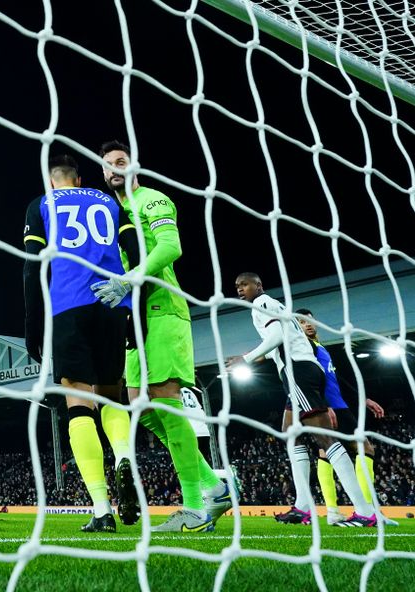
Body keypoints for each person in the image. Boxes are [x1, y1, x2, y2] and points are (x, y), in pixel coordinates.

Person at [93, 141, 231, 532]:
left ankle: (195, 506)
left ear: (134, 166)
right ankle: (213, 485)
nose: (114, 169)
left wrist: (131, 278)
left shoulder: (152, 200)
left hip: (162, 310)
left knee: (165, 400)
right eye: (108, 165)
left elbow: (172, 246)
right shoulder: (112, 214)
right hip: (133, 318)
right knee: (140, 404)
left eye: (121, 162)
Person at [22, 154, 142, 532]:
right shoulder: (109, 201)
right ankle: (123, 456)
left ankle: (102, 508)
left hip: (68, 306)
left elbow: (32, 266)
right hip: (112, 302)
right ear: (78, 178)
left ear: (52, 180)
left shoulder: (41, 204)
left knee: (78, 403)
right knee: (111, 395)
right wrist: (133, 309)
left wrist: (33, 324)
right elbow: (136, 250)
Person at [227, 273, 377, 527]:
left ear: (258, 285)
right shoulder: (276, 305)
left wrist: (247, 358)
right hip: (301, 370)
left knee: (325, 438)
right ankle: (302, 507)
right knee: (291, 432)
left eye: (244, 284)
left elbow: (276, 337)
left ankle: (364, 511)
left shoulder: (261, 304)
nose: (240, 289)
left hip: (297, 371)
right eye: (237, 286)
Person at [295, 308, 396, 526]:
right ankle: (367, 510)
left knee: (325, 453)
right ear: (296, 327)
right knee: (364, 448)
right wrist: (324, 405)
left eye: (310, 321)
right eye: (302, 323)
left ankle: (334, 511)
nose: (309, 325)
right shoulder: (304, 349)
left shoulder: (318, 347)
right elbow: (309, 380)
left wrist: (364, 399)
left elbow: (336, 378)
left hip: (336, 405)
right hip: (330, 407)